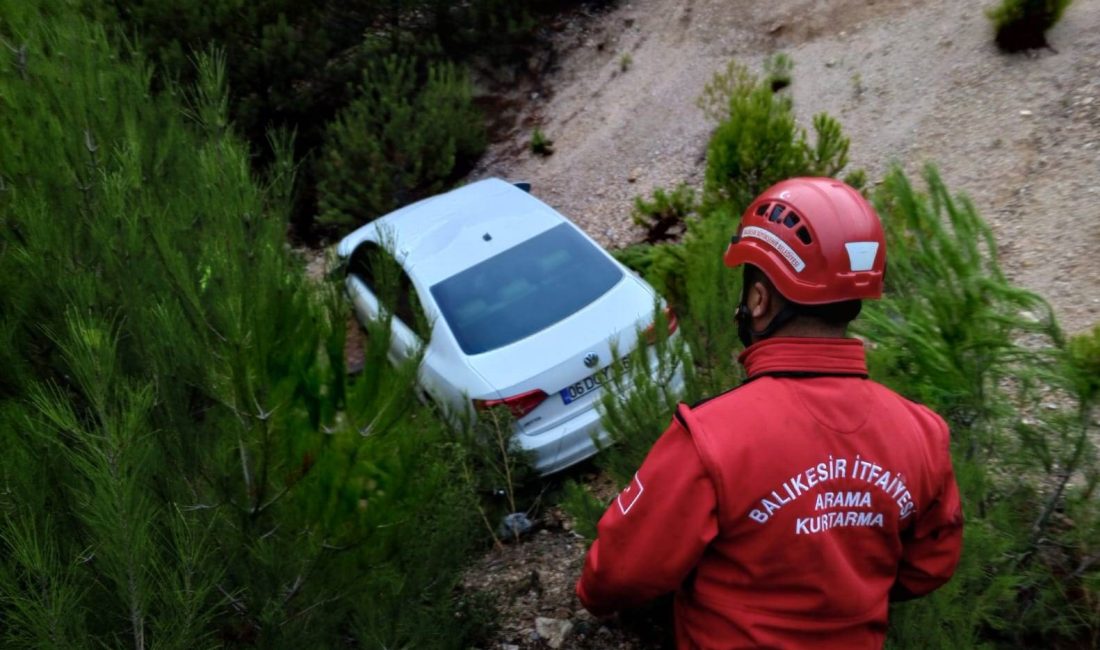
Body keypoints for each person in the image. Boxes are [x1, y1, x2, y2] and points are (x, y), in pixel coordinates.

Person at [575, 177, 963, 649]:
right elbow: (929, 566)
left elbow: (616, 574)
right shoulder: (921, 431)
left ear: (758, 300)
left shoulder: (710, 437)